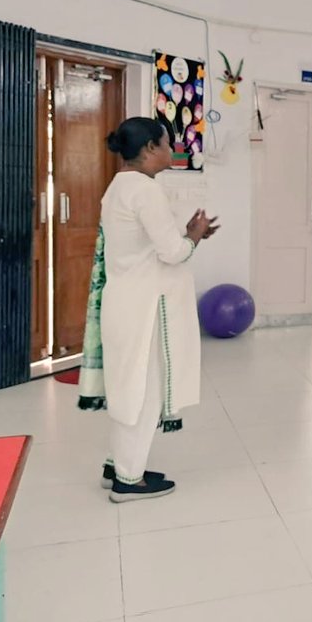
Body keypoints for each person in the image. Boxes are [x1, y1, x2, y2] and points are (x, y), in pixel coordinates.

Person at [78, 118, 218, 503]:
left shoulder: (119, 187)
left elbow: (149, 245)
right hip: (146, 307)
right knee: (143, 391)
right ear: (150, 149)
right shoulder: (145, 190)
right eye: (167, 143)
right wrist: (194, 236)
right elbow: (172, 253)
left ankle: (118, 464)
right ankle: (128, 478)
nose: (172, 150)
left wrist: (191, 235)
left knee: (128, 386)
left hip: (127, 301)